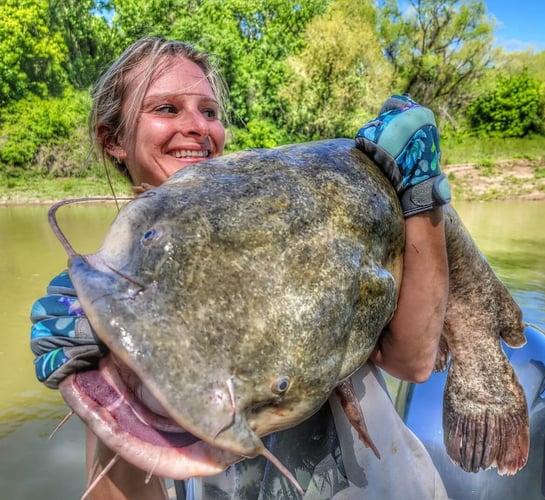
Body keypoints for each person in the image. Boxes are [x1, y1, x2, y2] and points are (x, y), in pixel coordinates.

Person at [30, 36, 450, 499]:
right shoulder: (110, 293)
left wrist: (421, 196)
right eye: (166, 109)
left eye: (209, 112)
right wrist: (98, 389)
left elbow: (412, 361)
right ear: (113, 140)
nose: (196, 127)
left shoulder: (292, 212)